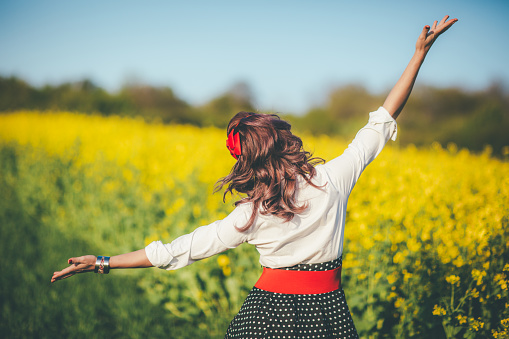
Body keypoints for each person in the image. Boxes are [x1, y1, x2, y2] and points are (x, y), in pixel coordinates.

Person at [51, 16, 458, 338]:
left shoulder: (249, 214)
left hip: (265, 317)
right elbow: (383, 119)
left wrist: (102, 261)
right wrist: (419, 55)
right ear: (287, 140)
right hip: (328, 315)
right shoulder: (334, 178)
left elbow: (176, 251)